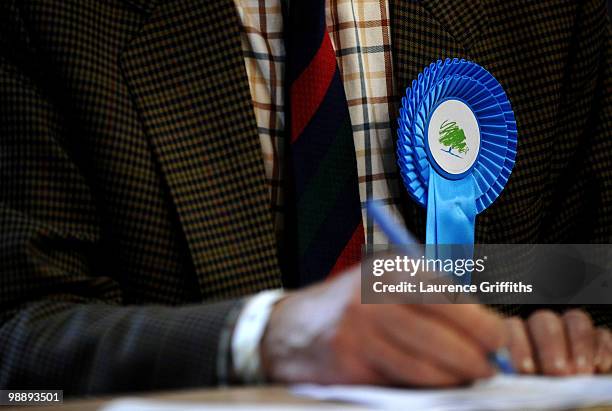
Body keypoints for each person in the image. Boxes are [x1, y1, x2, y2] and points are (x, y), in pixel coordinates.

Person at [0, 0, 611, 395]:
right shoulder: (53, 19)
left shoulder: (555, 15)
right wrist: (264, 336)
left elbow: (591, 277)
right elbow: (20, 351)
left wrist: (570, 332)